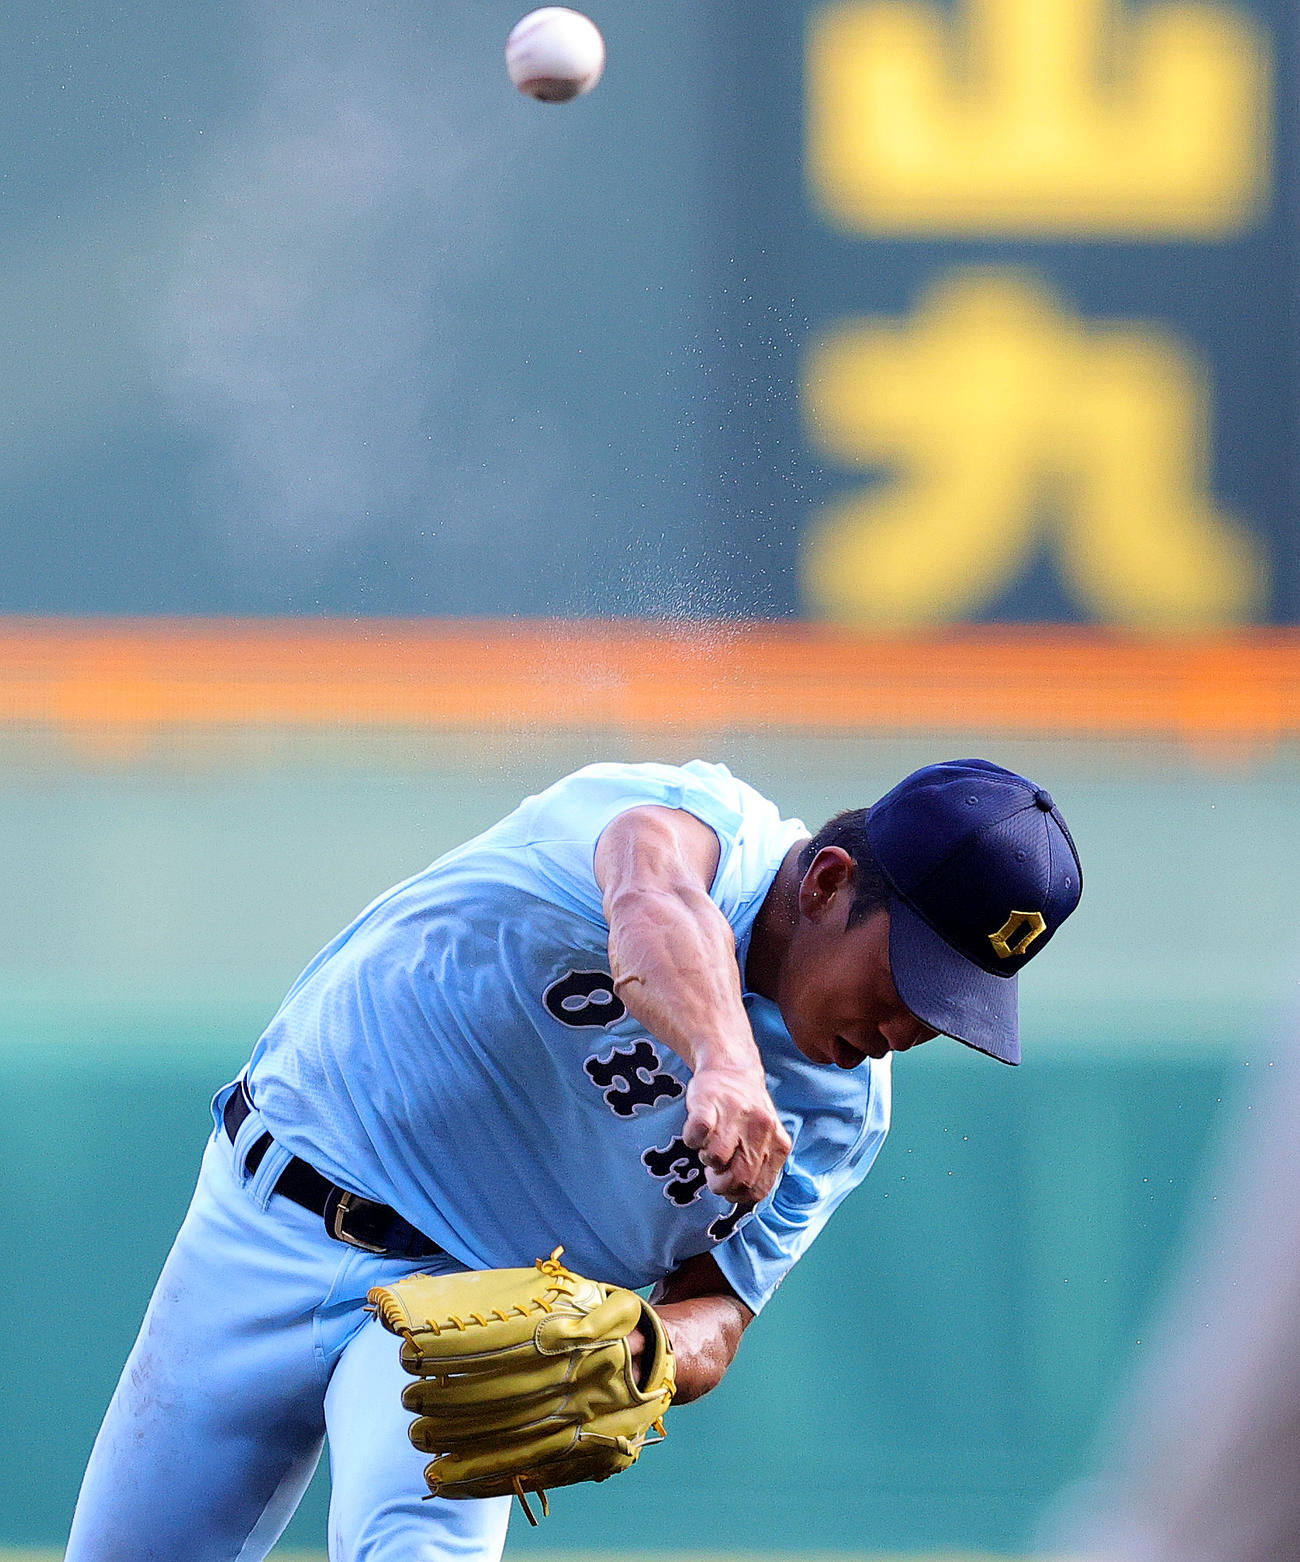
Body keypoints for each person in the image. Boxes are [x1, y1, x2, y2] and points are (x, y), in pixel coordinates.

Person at [66, 756, 1082, 1562]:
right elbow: (650, 899)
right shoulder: (686, 825)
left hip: (456, 1319)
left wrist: (642, 1348)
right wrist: (724, 1057)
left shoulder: (841, 1112)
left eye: (949, 1009)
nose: (908, 1028)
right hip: (265, 1216)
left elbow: (721, 1309)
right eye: (908, 977)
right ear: (826, 882)